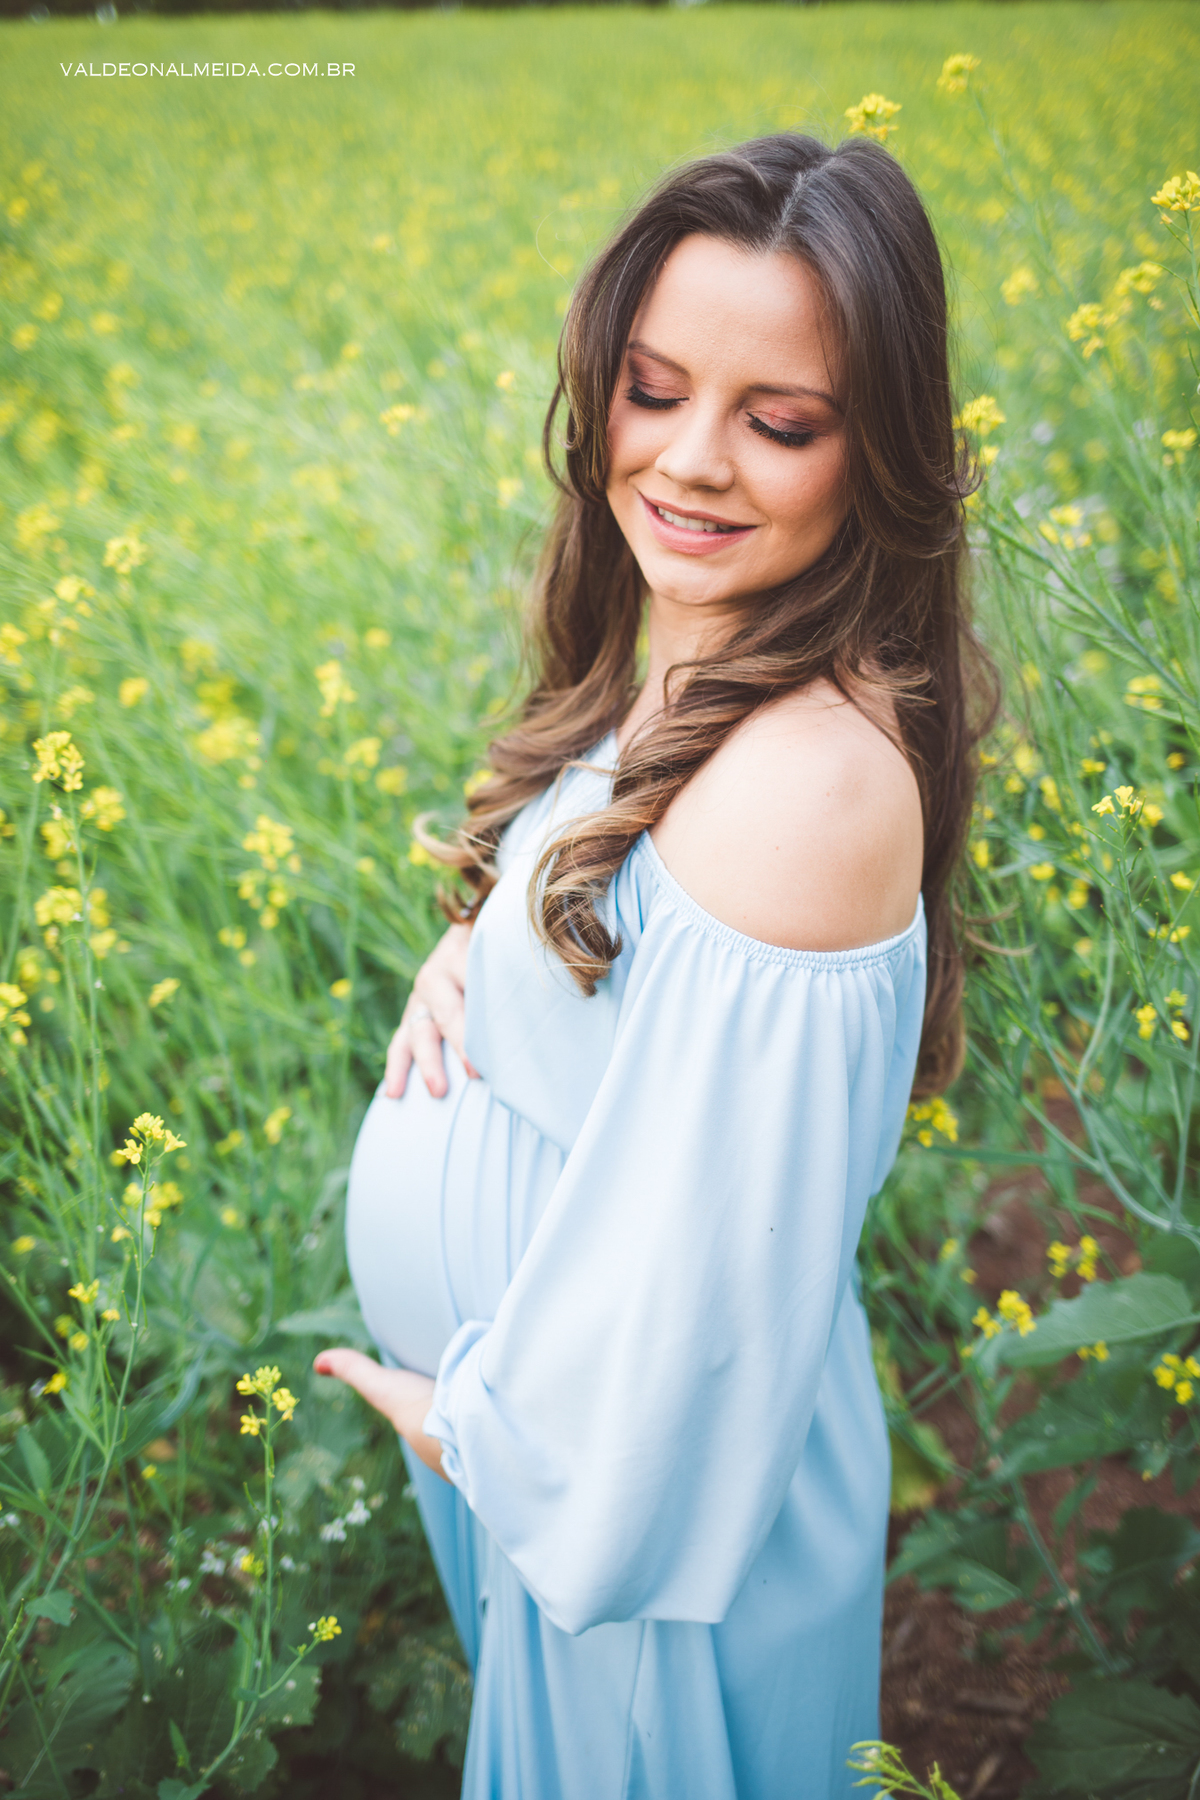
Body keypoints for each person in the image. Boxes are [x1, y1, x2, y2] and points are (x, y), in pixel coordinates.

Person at [314, 130, 996, 1798]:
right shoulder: (701, 675)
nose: (689, 462)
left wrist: (481, 1432)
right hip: (592, 1497)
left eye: (779, 424)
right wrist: (476, 949)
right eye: (651, 390)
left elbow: (705, 1277)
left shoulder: (816, 778)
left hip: (650, 1513)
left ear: (880, 456)